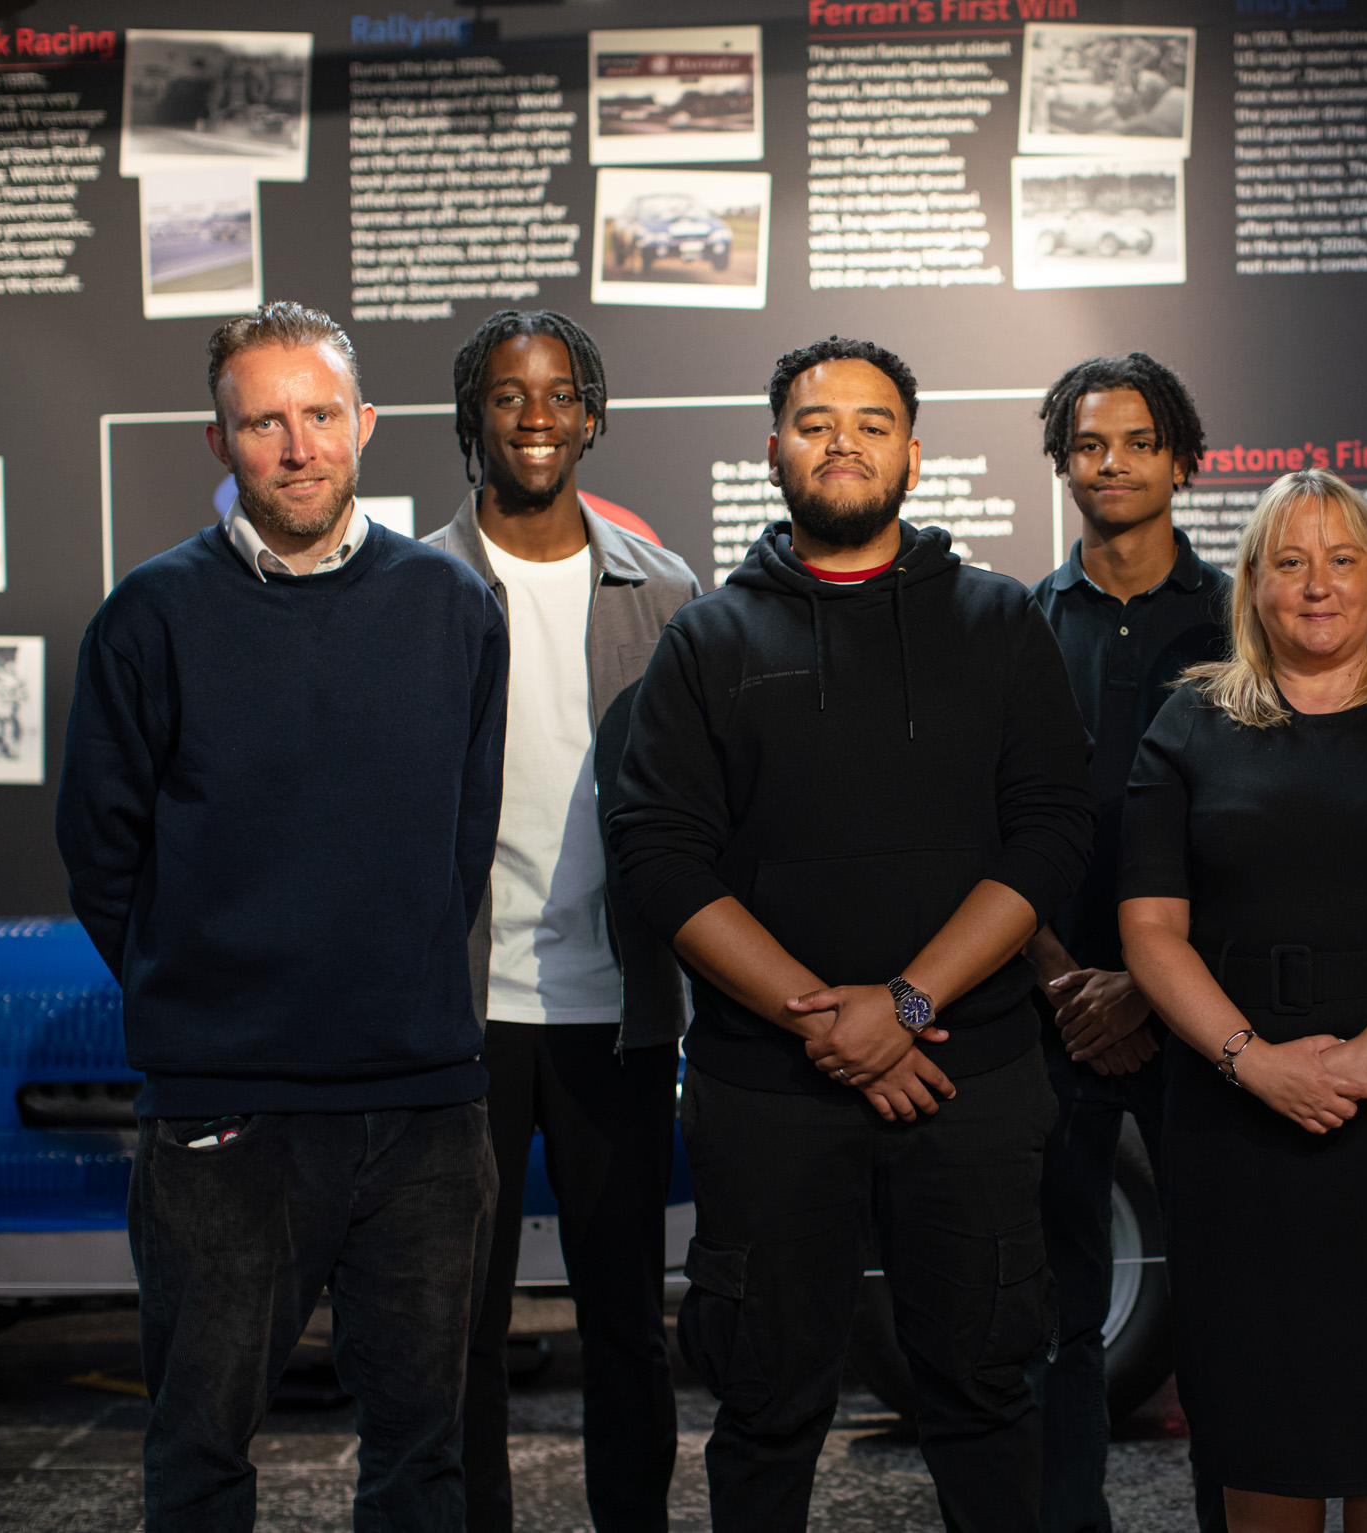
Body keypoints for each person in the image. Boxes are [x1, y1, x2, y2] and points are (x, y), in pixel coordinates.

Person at [604, 336, 1094, 1533]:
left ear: (914, 456)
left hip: (967, 1080)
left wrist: (907, 1006)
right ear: (773, 449)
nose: (842, 441)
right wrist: (831, 1024)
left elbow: (1044, 841)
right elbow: (660, 858)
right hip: (768, 1088)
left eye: (872, 423)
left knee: (985, 1395)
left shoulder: (997, 623)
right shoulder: (708, 640)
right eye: (815, 421)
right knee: (766, 1408)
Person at [56, 302, 507, 1531]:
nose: (297, 446)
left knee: (423, 1457)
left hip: (421, 1109)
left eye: (319, 416)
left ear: (363, 426)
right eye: (264, 422)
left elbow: (463, 839)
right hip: (224, 1111)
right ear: (222, 443)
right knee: (199, 1453)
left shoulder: (452, 607)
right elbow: (100, 853)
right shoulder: (149, 617)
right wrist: (200, 991)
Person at [1119, 469, 1367, 1533]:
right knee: (1263, 1443)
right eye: (1289, 562)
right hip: (1233, 1124)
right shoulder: (1187, 725)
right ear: (1252, 585)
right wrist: (1255, 1062)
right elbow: (1150, 931)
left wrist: (1361, 1063)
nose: (1317, 586)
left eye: (1342, 560)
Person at [423, 310, 700, 1533]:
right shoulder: (415, 589)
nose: (532, 416)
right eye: (505, 395)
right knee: (458, 1322)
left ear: (592, 415)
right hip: (463, 1014)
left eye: (556, 395)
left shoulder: (671, 593)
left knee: (627, 1317)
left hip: (616, 1011)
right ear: (469, 418)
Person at [1024, 353, 1229, 1533]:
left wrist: (1150, 988)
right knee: (1056, 1315)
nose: (1112, 463)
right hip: (1047, 1007)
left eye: (1138, 441)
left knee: (1215, 1309)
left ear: (1181, 459)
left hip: (1199, 1013)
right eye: (1090, 443)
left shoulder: (1237, 617)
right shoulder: (1015, 623)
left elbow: (1256, 825)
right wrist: (1063, 979)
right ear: (1062, 460)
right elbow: (989, 823)